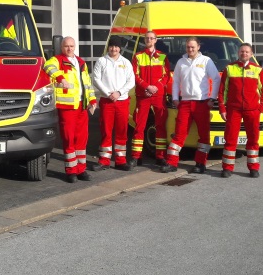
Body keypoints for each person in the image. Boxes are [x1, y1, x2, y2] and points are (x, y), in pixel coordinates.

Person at [161, 37, 220, 173]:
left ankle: (200, 164)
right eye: (188, 47)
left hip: (202, 103)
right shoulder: (181, 62)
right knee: (179, 134)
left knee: (204, 135)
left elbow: (216, 79)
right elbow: (175, 81)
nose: (190, 49)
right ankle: (171, 163)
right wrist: (175, 98)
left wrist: (212, 98)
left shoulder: (206, 61)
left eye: (193, 47)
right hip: (185, 103)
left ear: (198, 47)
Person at [43, 36, 97, 183]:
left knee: (82, 139)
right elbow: (47, 66)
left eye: (72, 46)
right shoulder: (57, 60)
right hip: (67, 107)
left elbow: (87, 83)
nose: (69, 49)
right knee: (69, 138)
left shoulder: (81, 62)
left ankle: (81, 170)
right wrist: (61, 78)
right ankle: (71, 171)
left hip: (82, 105)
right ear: (62, 47)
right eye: (66, 46)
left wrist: (92, 99)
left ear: (75, 47)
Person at [217, 43, 263, 178]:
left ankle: (253, 168)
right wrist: (222, 108)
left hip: (252, 110)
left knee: (253, 139)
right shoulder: (229, 68)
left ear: (251, 54)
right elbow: (222, 91)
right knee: (230, 138)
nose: (244, 54)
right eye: (242, 51)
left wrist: (261, 107)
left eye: (247, 52)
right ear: (238, 53)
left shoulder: (257, 70)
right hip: (233, 110)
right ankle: (227, 168)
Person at [91, 36, 136, 171]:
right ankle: (104, 161)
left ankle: (120, 160)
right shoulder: (101, 61)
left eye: (116, 47)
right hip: (107, 101)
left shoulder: (126, 62)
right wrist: (108, 93)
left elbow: (131, 81)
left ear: (120, 48)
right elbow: (96, 79)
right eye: (111, 46)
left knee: (122, 130)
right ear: (108, 47)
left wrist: (119, 93)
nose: (114, 49)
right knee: (106, 130)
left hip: (121, 101)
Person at [129, 31, 171, 167]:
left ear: (155, 40)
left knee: (160, 126)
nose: (149, 40)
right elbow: (135, 75)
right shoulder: (138, 56)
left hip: (158, 96)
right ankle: (136, 157)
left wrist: (156, 87)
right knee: (139, 126)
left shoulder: (163, 57)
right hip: (144, 96)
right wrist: (147, 87)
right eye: (147, 38)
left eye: (151, 38)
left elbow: (166, 76)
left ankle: (160, 156)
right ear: (144, 40)